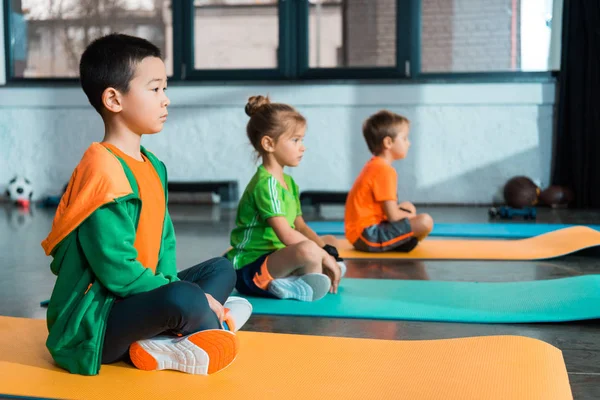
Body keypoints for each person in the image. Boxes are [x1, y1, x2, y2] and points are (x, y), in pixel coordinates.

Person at [41, 33, 251, 376]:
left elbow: (164, 242)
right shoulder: (102, 169)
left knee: (222, 269)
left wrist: (176, 285)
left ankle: (176, 332)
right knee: (183, 298)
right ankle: (196, 323)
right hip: (99, 321)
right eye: (155, 89)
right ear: (113, 99)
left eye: (165, 89)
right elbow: (118, 272)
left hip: (136, 299)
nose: (165, 100)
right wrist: (185, 295)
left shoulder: (152, 165)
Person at [226, 95, 345, 302]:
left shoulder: (288, 183)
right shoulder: (266, 184)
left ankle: (294, 281)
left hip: (276, 258)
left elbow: (300, 225)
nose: (303, 147)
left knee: (328, 241)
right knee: (310, 251)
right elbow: (286, 234)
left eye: (302, 140)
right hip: (249, 269)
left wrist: (327, 250)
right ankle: (283, 282)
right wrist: (323, 256)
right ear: (269, 144)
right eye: (295, 140)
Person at [345, 110, 434, 252]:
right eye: (404, 139)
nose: (408, 144)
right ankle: (398, 242)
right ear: (388, 142)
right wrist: (411, 217)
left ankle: (399, 241)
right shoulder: (384, 170)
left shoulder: (375, 165)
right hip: (368, 235)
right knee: (425, 221)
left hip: (360, 234)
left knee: (407, 206)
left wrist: (407, 214)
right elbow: (393, 216)